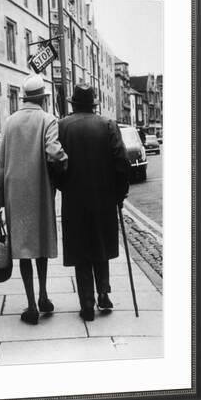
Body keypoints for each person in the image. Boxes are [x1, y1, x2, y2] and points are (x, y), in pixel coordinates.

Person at [0, 74, 68, 325]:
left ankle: (32, 305)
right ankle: (44, 296)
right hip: (40, 191)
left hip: (16, 194)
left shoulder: (10, 122)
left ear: (24, 97)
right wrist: (66, 169)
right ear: (43, 99)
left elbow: (1, 166)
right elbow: (55, 153)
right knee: (41, 247)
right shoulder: (48, 120)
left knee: (23, 249)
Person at [58, 84, 130, 321]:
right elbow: (121, 161)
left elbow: (55, 163)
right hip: (104, 197)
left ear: (74, 103)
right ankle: (104, 293)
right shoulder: (107, 125)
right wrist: (120, 193)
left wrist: (64, 186)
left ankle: (86, 303)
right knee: (100, 244)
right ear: (93, 104)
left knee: (81, 250)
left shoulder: (63, 126)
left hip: (74, 198)